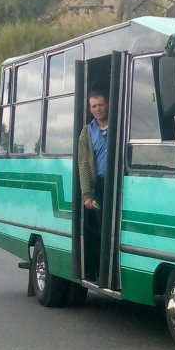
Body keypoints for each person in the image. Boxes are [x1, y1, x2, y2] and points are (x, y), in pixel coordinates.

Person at [78, 91, 109, 280]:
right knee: (99, 231)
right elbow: (83, 164)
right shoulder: (86, 133)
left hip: (120, 185)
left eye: (100, 105)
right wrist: (87, 194)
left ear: (108, 105)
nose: (97, 109)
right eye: (94, 106)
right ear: (90, 109)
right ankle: (99, 273)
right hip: (100, 187)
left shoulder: (121, 125)